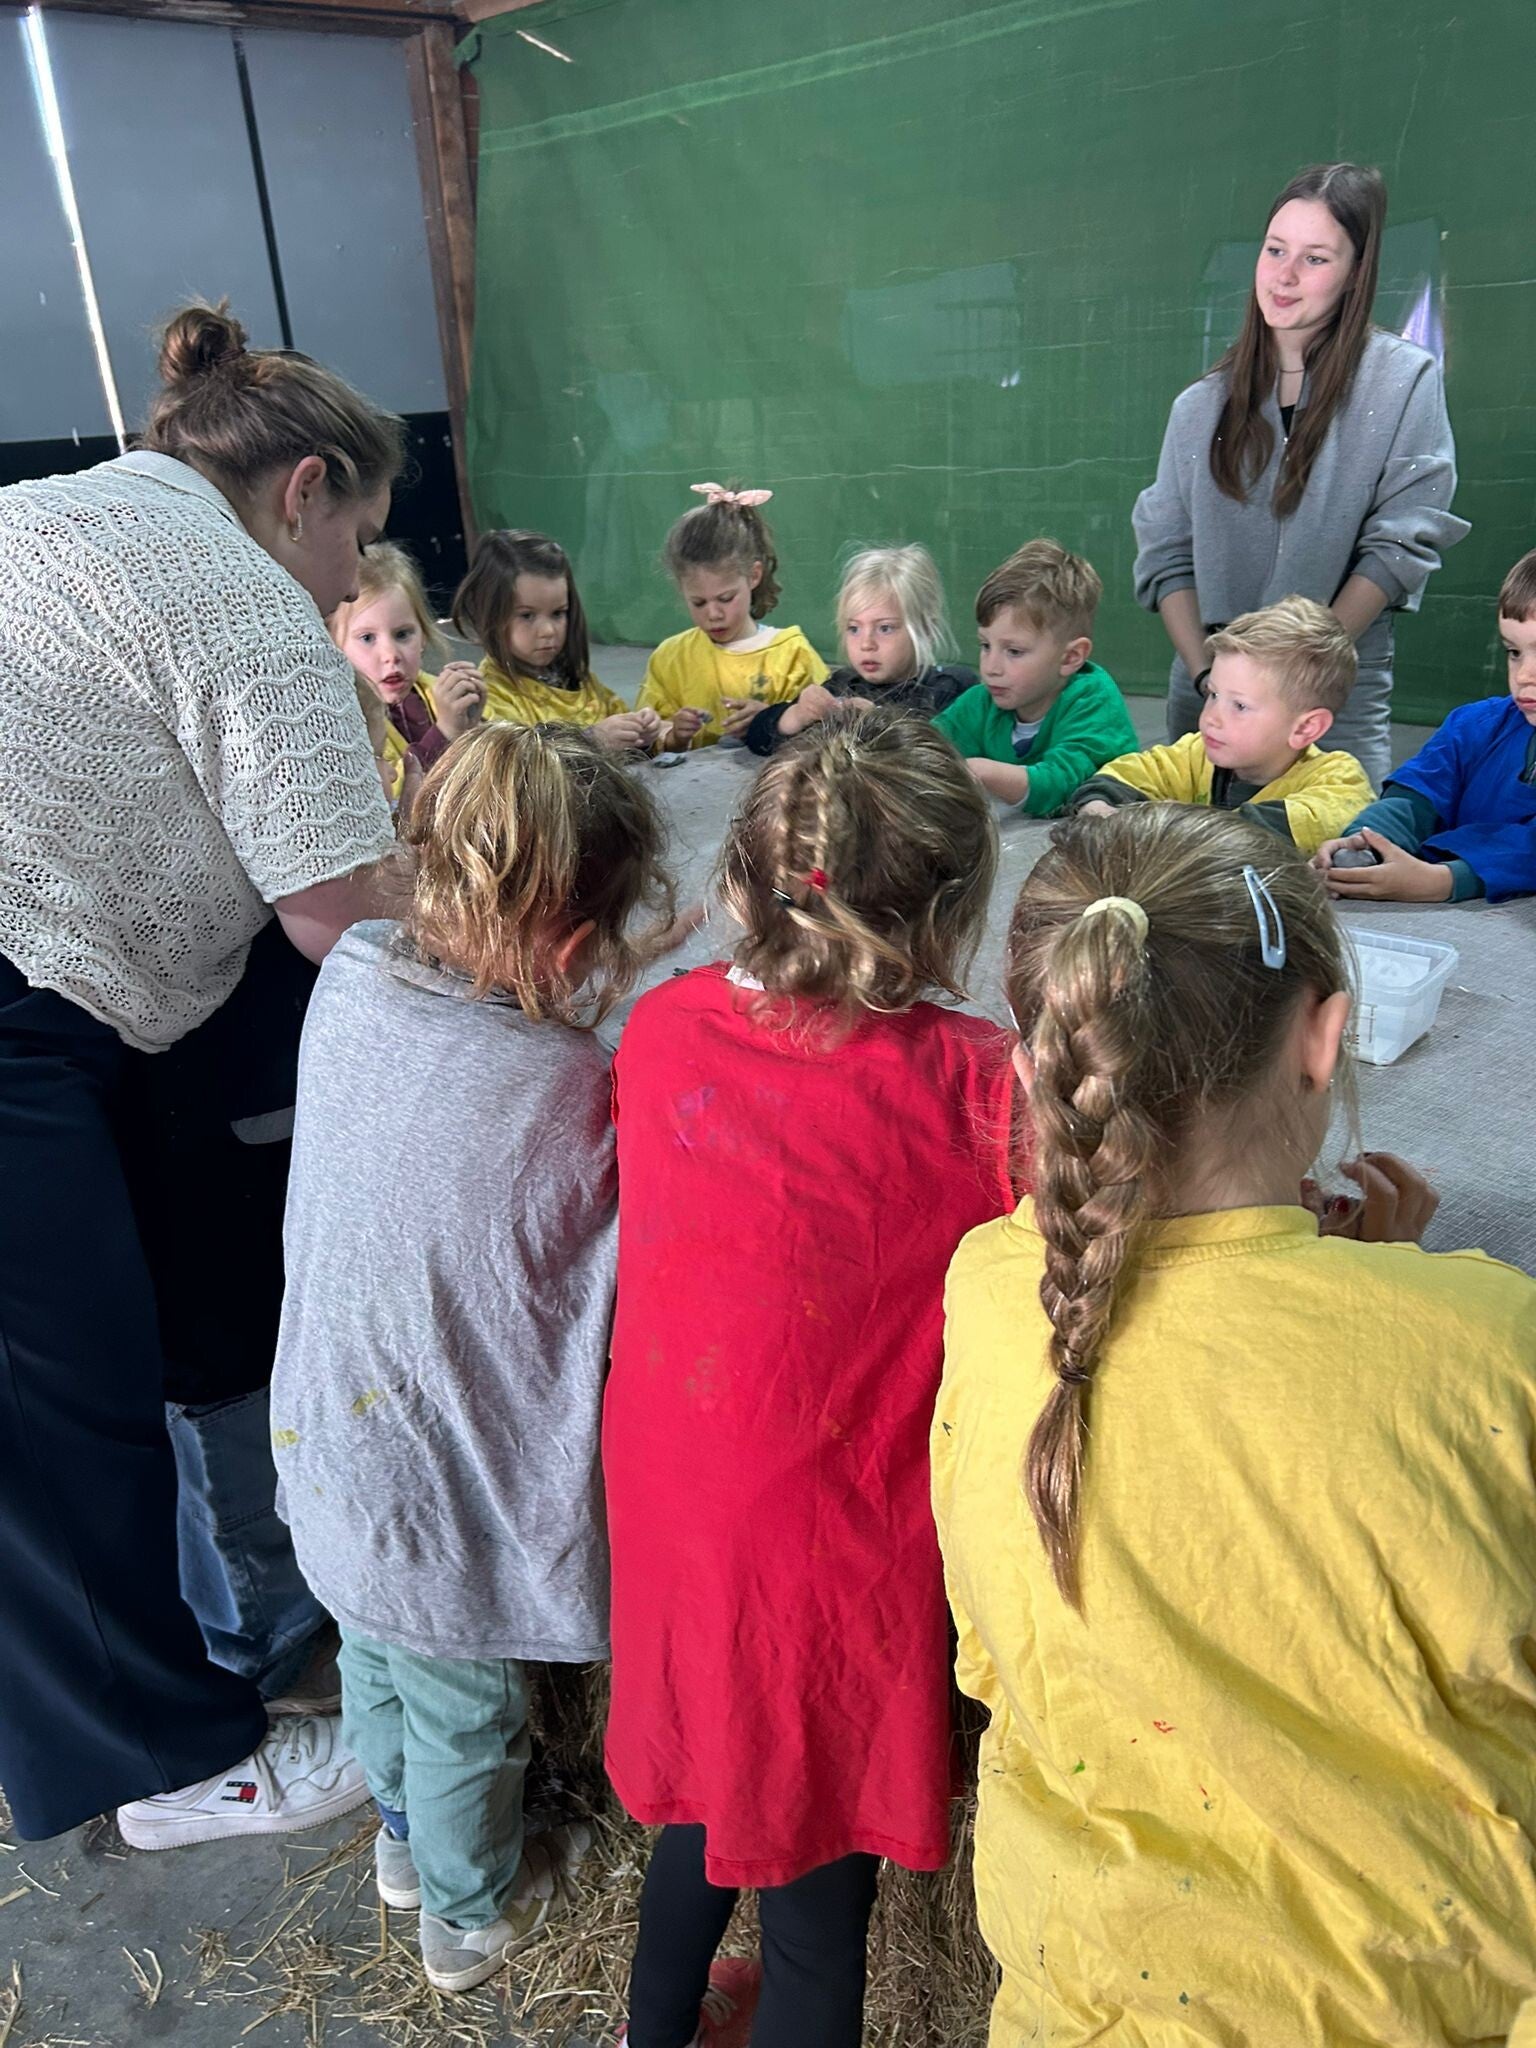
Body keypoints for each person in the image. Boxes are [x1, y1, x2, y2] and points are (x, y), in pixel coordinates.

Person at [933, 803, 1536, 2046]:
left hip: (1075, 1999)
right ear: (1325, 1034)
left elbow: (990, 1658)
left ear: (1038, 1061)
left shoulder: (989, 1284)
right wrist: (1395, 1292)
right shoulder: (1494, 1348)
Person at [0, 300, 405, 1848]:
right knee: (64, 1401)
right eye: (358, 537)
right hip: (18, 994)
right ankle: (169, 1768)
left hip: (39, 971)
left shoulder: (59, 508)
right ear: (303, 490)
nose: (355, 581)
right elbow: (341, 919)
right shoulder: (247, 599)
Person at [606, 713, 1016, 2048]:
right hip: (829, 1550)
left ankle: (653, 2029)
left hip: (679, 1517)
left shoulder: (658, 1033)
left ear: (740, 883)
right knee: (817, 1903)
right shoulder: (977, 1084)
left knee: (710, 1797)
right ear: (949, 917)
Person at [271, 723, 671, 1992]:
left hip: (322, 1430)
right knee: (465, 1704)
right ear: (570, 944)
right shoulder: (562, 1079)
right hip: (437, 1481)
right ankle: (468, 1912)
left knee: (373, 1644)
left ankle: (397, 1841)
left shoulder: (352, 973)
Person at [1132, 162, 1469, 791]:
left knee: (1327, 848)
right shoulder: (1199, 405)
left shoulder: (1404, 382)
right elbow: (1166, 556)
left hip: (1329, 710)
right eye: (1275, 250)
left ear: (1356, 272)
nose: (1284, 275)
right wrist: (1213, 682)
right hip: (1208, 715)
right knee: (1194, 852)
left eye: (1315, 259)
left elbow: (1400, 544)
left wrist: (1297, 680)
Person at [1316, 547, 1536, 902]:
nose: (1524, 675)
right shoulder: (1473, 727)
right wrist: (1367, 841)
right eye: (1514, 652)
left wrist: (1442, 881)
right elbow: (1415, 799)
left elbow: (1528, 851)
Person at [1073, 596, 1373, 854]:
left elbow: (1258, 834)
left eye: (1239, 706)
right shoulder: (1196, 753)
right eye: (1213, 694)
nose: (1211, 717)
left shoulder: (1340, 782)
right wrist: (1100, 808)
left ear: (1305, 728)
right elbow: (1115, 781)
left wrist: (1164, 821)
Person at [932, 540, 1138, 812]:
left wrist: (980, 771)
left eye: (1014, 651)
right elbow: (928, 744)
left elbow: (1063, 786)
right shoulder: (982, 702)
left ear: (1070, 657)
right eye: (985, 645)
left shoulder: (1093, 702)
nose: (991, 667)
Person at [638, 483, 829, 748]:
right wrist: (674, 735)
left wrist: (772, 719)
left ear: (754, 576)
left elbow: (827, 732)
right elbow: (644, 741)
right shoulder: (670, 660)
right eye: (698, 602)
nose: (713, 614)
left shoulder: (792, 656)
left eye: (726, 598)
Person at [742, 542, 974, 753]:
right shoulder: (843, 684)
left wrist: (877, 721)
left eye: (885, 628)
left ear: (926, 629)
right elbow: (757, 739)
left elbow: (937, 757)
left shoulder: (950, 689)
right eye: (854, 629)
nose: (866, 644)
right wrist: (797, 715)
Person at [450, 529, 660, 751]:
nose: (548, 631)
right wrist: (590, 740)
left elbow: (616, 724)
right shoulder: (490, 697)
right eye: (527, 615)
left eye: (558, 613)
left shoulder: (577, 679)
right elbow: (518, 762)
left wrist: (640, 733)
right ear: (490, 614)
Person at [332, 540, 485, 801]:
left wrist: (477, 727)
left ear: (423, 635)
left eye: (403, 634)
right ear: (336, 645)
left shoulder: (436, 691)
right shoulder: (348, 721)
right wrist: (445, 733)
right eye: (367, 638)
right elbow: (392, 801)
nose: (390, 655)